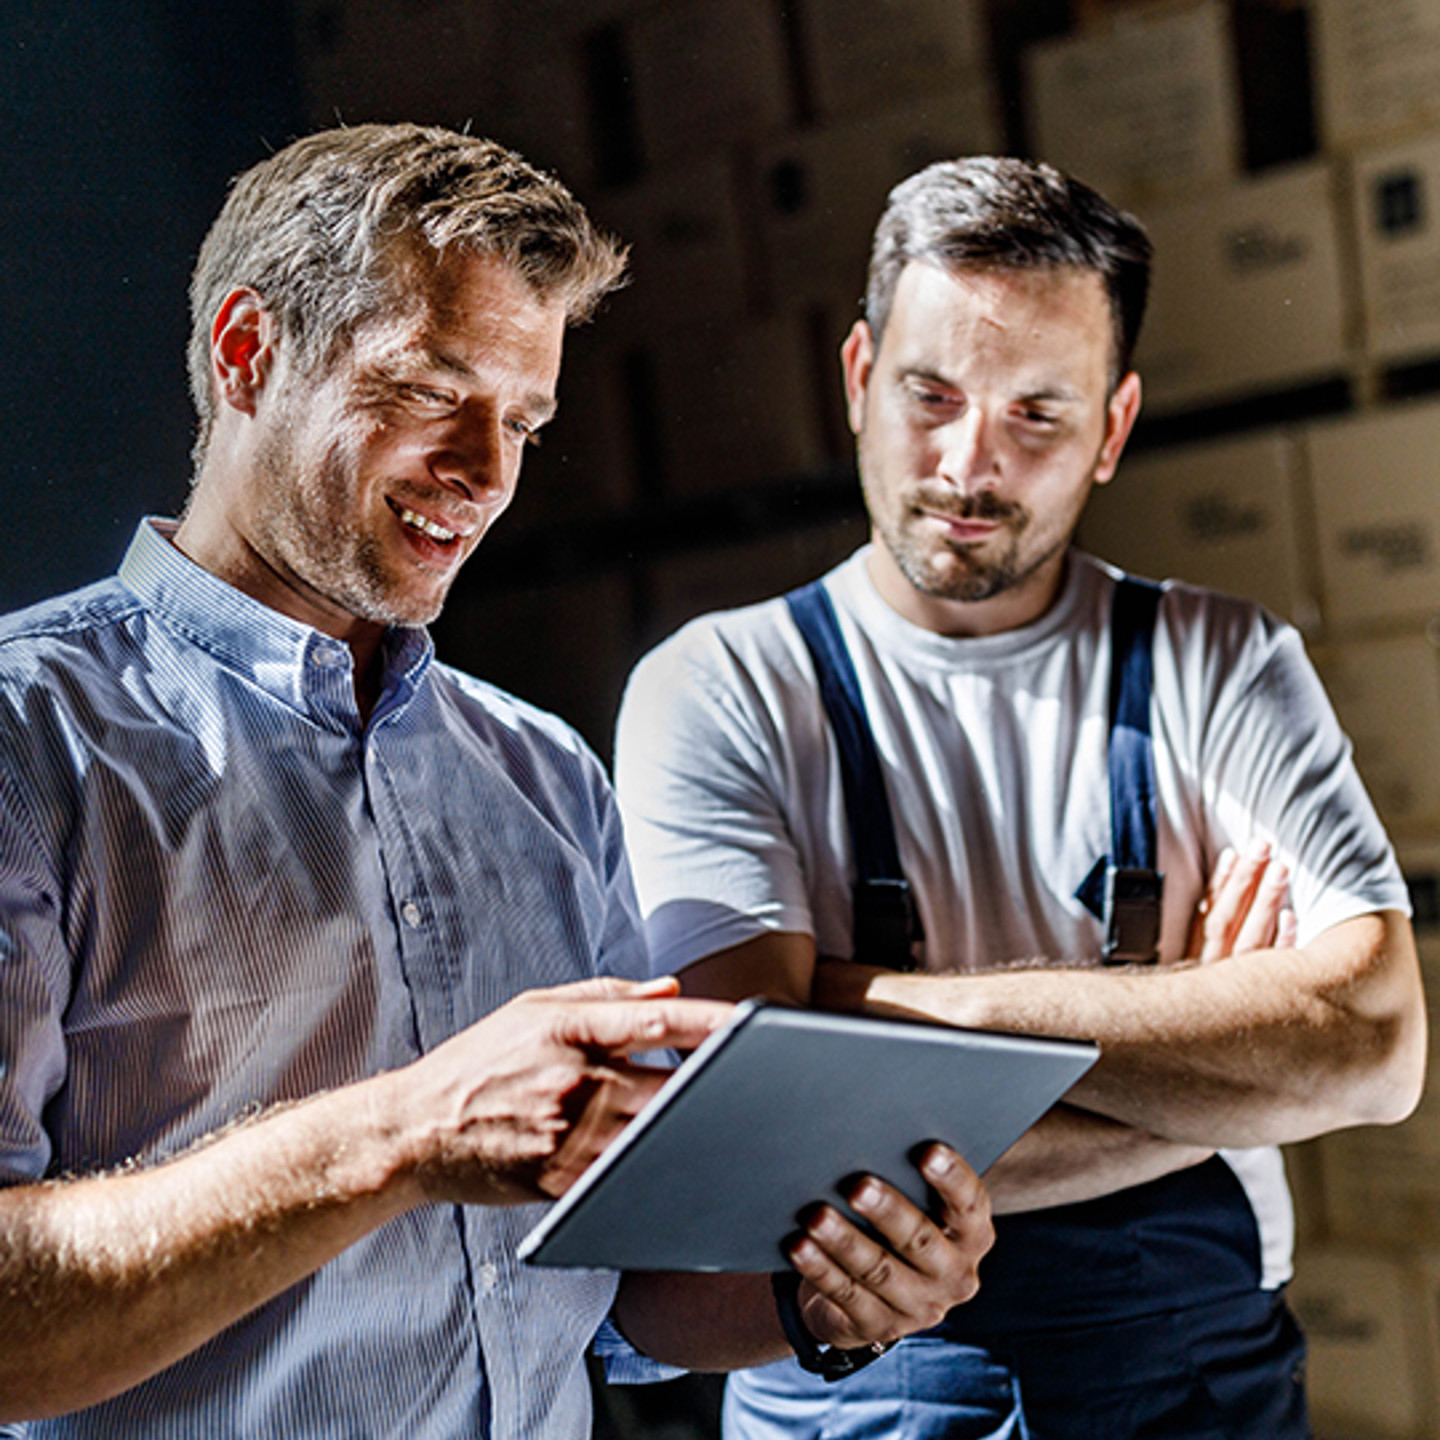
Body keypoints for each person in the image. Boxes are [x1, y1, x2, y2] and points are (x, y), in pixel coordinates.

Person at [0, 124, 996, 1438]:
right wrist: (406, 1138)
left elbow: (624, 1300)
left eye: (523, 419)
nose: (486, 472)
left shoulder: (541, 777)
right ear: (248, 354)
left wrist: (830, 1290)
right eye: (431, 389)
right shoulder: (32, 740)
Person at [614, 156, 1428, 1439]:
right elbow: (741, 1146)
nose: (970, 463)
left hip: (1200, 1386)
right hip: (855, 1401)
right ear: (858, 378)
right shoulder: (722, 689)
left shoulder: (1222, 665)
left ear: (1114, 428)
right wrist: (1209, 1056)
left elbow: (1373, 1049)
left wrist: (880, 1010)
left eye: (1039, 415)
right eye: (931, 395)